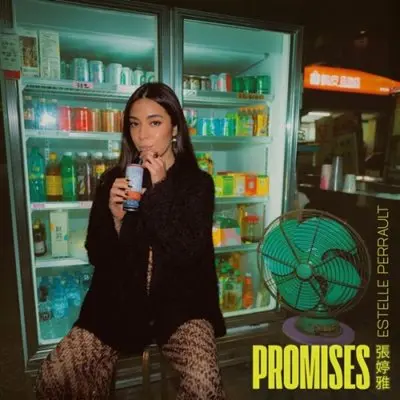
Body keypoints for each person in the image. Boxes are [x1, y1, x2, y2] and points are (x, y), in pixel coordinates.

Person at [35, 82, 227, 399]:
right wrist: (114, 218)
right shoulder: (115, 180)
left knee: (203, 386)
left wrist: (161, 189)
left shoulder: (197, 184)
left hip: (182, 305)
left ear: (175, 128)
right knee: (53, 378)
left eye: (155, 122)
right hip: (119, 302)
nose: (143, 135)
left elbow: (188, 252)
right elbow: (97, 254)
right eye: (135, 124)